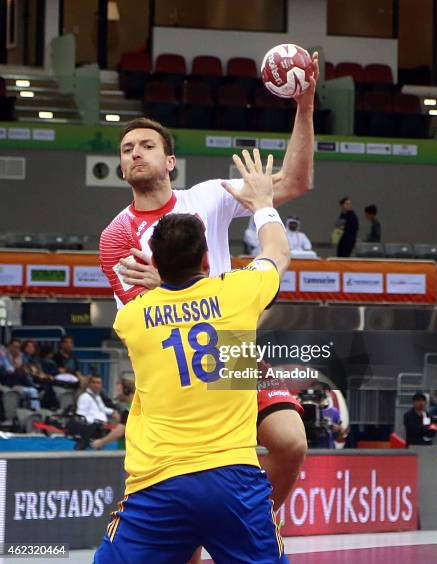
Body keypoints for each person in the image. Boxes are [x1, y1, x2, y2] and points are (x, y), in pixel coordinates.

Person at [99, 58, 318, 512]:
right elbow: (144, 315)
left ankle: (258, 522)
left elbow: (296, 181)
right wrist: (181, 288)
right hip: (174, 365)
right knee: (187, 498)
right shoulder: (117, 236)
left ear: (170, 161)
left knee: (291, 442)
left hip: (232, 348)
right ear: (121, 169)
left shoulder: (209, 196)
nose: (135, 153)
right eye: (126, 150)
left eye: (146, 145)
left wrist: (304, 107)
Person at [94, 151, 293, 563]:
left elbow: (162, 297)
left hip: (158, 485)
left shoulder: (132, 320)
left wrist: (161, 283)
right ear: (207, 259)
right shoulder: (238, 294)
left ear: (156, 266)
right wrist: (263, 206)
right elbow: (278, 253)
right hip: (233, 480)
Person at [91, 378, 135, 450]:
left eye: (118, 391)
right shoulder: (138, 407)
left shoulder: (128, 411)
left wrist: (100, 442)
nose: (117, 394)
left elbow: (119, 432)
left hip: (127, 451)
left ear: (126, 391)